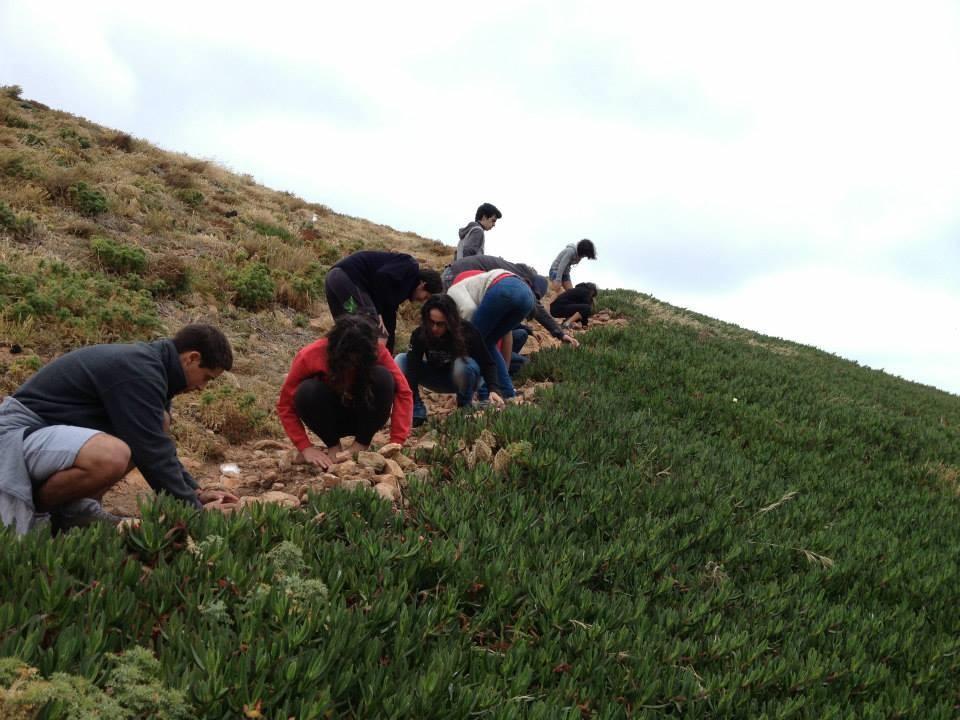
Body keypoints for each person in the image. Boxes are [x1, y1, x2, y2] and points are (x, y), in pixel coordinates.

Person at [0, 325, 239, 535]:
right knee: (111, 455)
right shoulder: (140, 371)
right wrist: (196, 513)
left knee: (159, 422)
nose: (201, 388)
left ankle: (75, 510)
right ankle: (42, 512)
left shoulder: (156, 370)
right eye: (206, 377)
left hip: (48, 433)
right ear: (191, 358)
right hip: (17, 431)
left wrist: (196, 493)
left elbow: (157, 445)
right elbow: (151, 453)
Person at [276, 314, 413, 470]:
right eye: (349, 358)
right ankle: (333, 446)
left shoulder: (376, 350)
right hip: (331, 418)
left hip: (365, 415)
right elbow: (285, 404)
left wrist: (396, 442)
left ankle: (360, 444)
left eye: (358, 359)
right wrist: (305, 447)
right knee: (306, 391)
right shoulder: (311, 354)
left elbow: (403, 392)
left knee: (383, 377)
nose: (353, 363)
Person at [394, 294, 505, 426]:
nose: (434, 328)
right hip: (436, 378)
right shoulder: (420, 334)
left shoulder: (467, 331)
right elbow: (412, 367)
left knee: (464, 364)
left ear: (450, 321)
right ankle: (417, 409)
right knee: (401, 359)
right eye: (431, 322)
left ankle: (464, 406)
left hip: (464, 378)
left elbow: (488, 363)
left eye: (440, 324)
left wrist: (494, 389)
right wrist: (411, 399)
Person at [444, 254, 580, 349]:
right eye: (535, 296)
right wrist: (559, 333)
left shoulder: (513, 274)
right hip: (456, 276)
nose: (534, 300)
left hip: (453, 273)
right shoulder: (517, 280)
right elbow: (537, 309)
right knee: (464, 331)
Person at [324, 250, 442, 352]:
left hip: (334, 282)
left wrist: (388, 351)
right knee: (373, 328)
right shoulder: (410, 267)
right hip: (346, 278)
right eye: (426, 296)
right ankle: (373, 370)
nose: (422, 301)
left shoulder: (397, 292)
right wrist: (378, 314)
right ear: (422, 284)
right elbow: (381, 277)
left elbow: (388, 322)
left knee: (347, 330)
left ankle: (332, 364)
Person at [446, 268, 536, 400]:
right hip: (527, 297)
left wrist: (467, 336)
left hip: (505, 289)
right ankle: (507, 393)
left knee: (474, 344)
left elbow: (469, 310)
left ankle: (484, 395)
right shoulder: (472, 284)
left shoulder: (451, 292)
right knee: (487, 343)